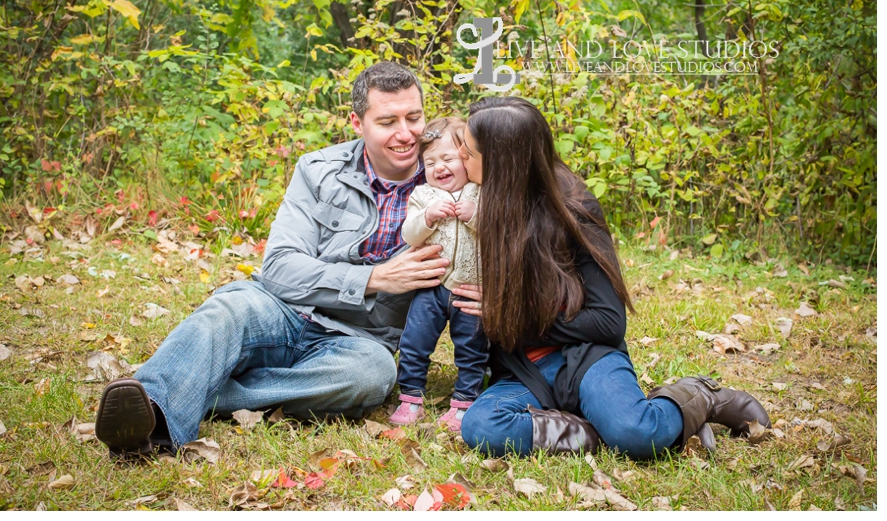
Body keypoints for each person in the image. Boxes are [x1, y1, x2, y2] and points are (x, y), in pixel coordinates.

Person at [93, 62, 464, 457]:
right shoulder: (318, 170)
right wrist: (374, 279)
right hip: (282, 309)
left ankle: (201, 389)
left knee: (373, 376)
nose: (405, 134)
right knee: (228, 308)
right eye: (388, 121)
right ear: (358, 122)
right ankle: (147, 417)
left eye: (414, 117)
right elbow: (280, 267)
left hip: (359, 339)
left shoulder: (448, 183)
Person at [454, 96, 771, 459]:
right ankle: (591, 430)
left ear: (503, 164)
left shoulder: (573, 211)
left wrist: (512, 316)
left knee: (637, 435)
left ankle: (699, 396)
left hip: (586, 357)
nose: (460, 155)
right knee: (482, 426)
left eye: (468, 151)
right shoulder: (477, 205)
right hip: (524, 373)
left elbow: (608, 322)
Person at [388, 117, 489, 432]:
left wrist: (476, 217)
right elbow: (409, 234)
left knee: (471, 346)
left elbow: (500, 230)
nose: (439, 167)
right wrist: (427, 218)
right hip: (433, 287)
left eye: (447, 159)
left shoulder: (482, 193)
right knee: (415, 340)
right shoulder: (423, 196)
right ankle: (411, 396)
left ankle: (464, 402)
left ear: (465, 157)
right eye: (429, 162)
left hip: (471, 289)